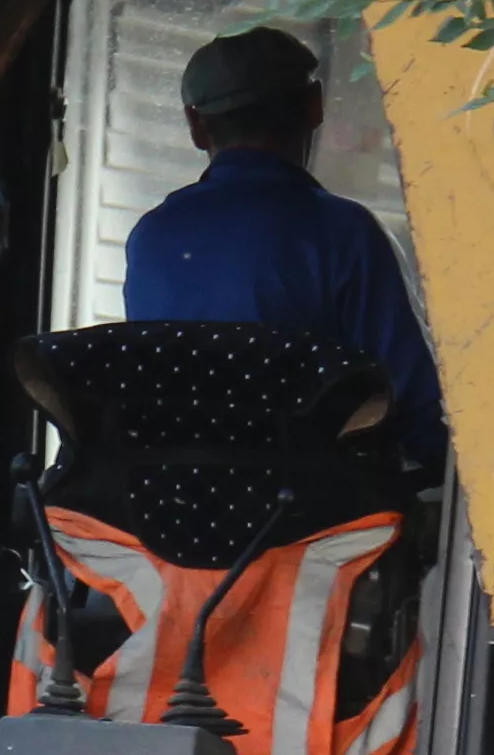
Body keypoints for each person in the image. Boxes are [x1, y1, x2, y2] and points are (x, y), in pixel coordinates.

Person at [119, 26, 444, 459]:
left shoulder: (152, 237)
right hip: (313, 515)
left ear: (196, 125)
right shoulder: (343, 234)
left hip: (176, 509)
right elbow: (410, 405)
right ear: (314, 106)